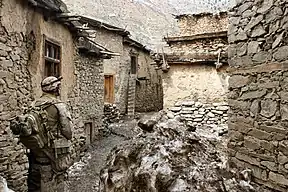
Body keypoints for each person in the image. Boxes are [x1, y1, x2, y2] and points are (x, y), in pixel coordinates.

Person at [27, 76, 73, 192]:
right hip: (54, 152)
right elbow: (68, 132)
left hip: (36, 150)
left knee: (37, 179)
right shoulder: (59, 105)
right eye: (58, 86)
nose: (59, 89)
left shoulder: (34, 104)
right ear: (55, 88)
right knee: (56, 179)